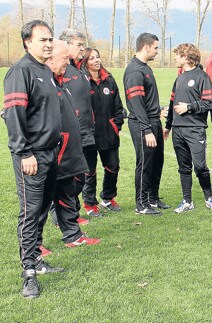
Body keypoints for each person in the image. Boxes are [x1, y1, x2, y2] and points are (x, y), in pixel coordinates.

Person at [4, 20, 63, 298]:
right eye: (43, 40)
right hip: (32, 156)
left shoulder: (45, 70)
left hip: (50, 154)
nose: (49, 44)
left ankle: (37, 260)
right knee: (30, 212)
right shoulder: (21, 71)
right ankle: (28, 273)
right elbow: (14, 115)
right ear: (28, 42)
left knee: (41, 210)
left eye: (50, 39)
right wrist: (25, 152)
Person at [47, 39, 101, 249]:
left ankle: (72, 234)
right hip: (54, 149)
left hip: (75, 142)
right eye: (62, 59)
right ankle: (35, 245)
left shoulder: (62, 78)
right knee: (43, 197)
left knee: (70, 186)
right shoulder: (39, 78)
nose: (65, 63)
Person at [163, 43, 212, 214]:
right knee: (183, 167)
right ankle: (187, 201)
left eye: (177, 55)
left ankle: (209, 198)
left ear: (187, 57)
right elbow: (173, 103)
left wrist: (189, 107)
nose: (175, 58)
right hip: (177, 130)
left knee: (200, 166)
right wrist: (168, 126)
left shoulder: (202, 77)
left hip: (195, 130)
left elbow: (210, 102)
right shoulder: (179, 77)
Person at [124, 32, 168, 215]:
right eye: (156, 47)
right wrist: (146, 129)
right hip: (143, 125)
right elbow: (136, 103)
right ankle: (141, 204)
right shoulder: (135, 70)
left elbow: (147, 100)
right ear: (146, 46)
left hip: (153, 121)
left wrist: (159, 110)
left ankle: (153, 198)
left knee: (157, 161)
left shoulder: (145, 68)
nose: (157, 51)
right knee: (145, 163)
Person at [80, 48, 124, 214]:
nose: (96, 60)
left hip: (108, 133)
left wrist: (116, 125)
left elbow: (118, 106)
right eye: (91, 58)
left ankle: (107, 198)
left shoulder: (109, 80)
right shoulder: (82, 81)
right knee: (89, 171)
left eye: (97, 57)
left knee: (113, 167)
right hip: (89, 136)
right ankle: (90, 204)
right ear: (85, 62)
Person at [59, 29, 96, 221]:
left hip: (86, 131)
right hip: (70, 133)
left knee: (82, 175)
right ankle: (61, 215)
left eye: (83, 44)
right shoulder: (59, 67)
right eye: (79, 45)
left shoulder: (79, 68)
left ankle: (72, 210)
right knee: (68, 176)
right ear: (65, 44)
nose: (83, 48)